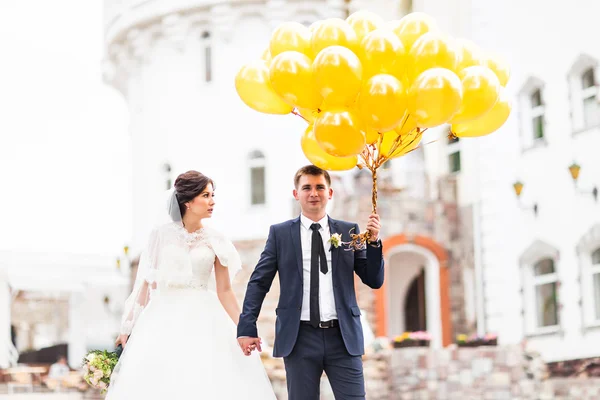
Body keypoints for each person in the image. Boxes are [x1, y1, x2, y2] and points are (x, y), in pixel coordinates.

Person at [105, 171, 275, 399]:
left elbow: (225, 291)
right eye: (206, 195)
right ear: (187, 201)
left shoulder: (216, 240)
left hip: (205, 318)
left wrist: (245, 328)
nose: (212, 201)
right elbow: (145, 285)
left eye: (212, 195)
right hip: (162, 318)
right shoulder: (159, 235)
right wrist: (127, 327)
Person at [237, 165, 385, 400]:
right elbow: (258, 282)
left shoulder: (349, 232)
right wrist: (247, 327)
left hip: (343, 337)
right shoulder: (280, 234)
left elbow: (374, 280)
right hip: (299, 338)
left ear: (330, 193)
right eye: (306, 187)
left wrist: (374, 243)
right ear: (296, 193)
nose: (313, 193)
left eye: (319, 187)